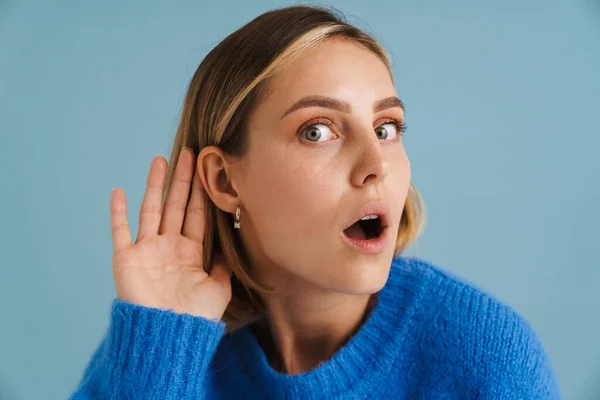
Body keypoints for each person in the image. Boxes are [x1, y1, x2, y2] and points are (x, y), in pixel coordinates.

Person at [70, 5, 561, 399]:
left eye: (387, 129)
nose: (377, 164)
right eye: (318, 131)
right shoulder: (153, 345)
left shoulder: (487, 357)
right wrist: (165, 347)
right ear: (225, 180)